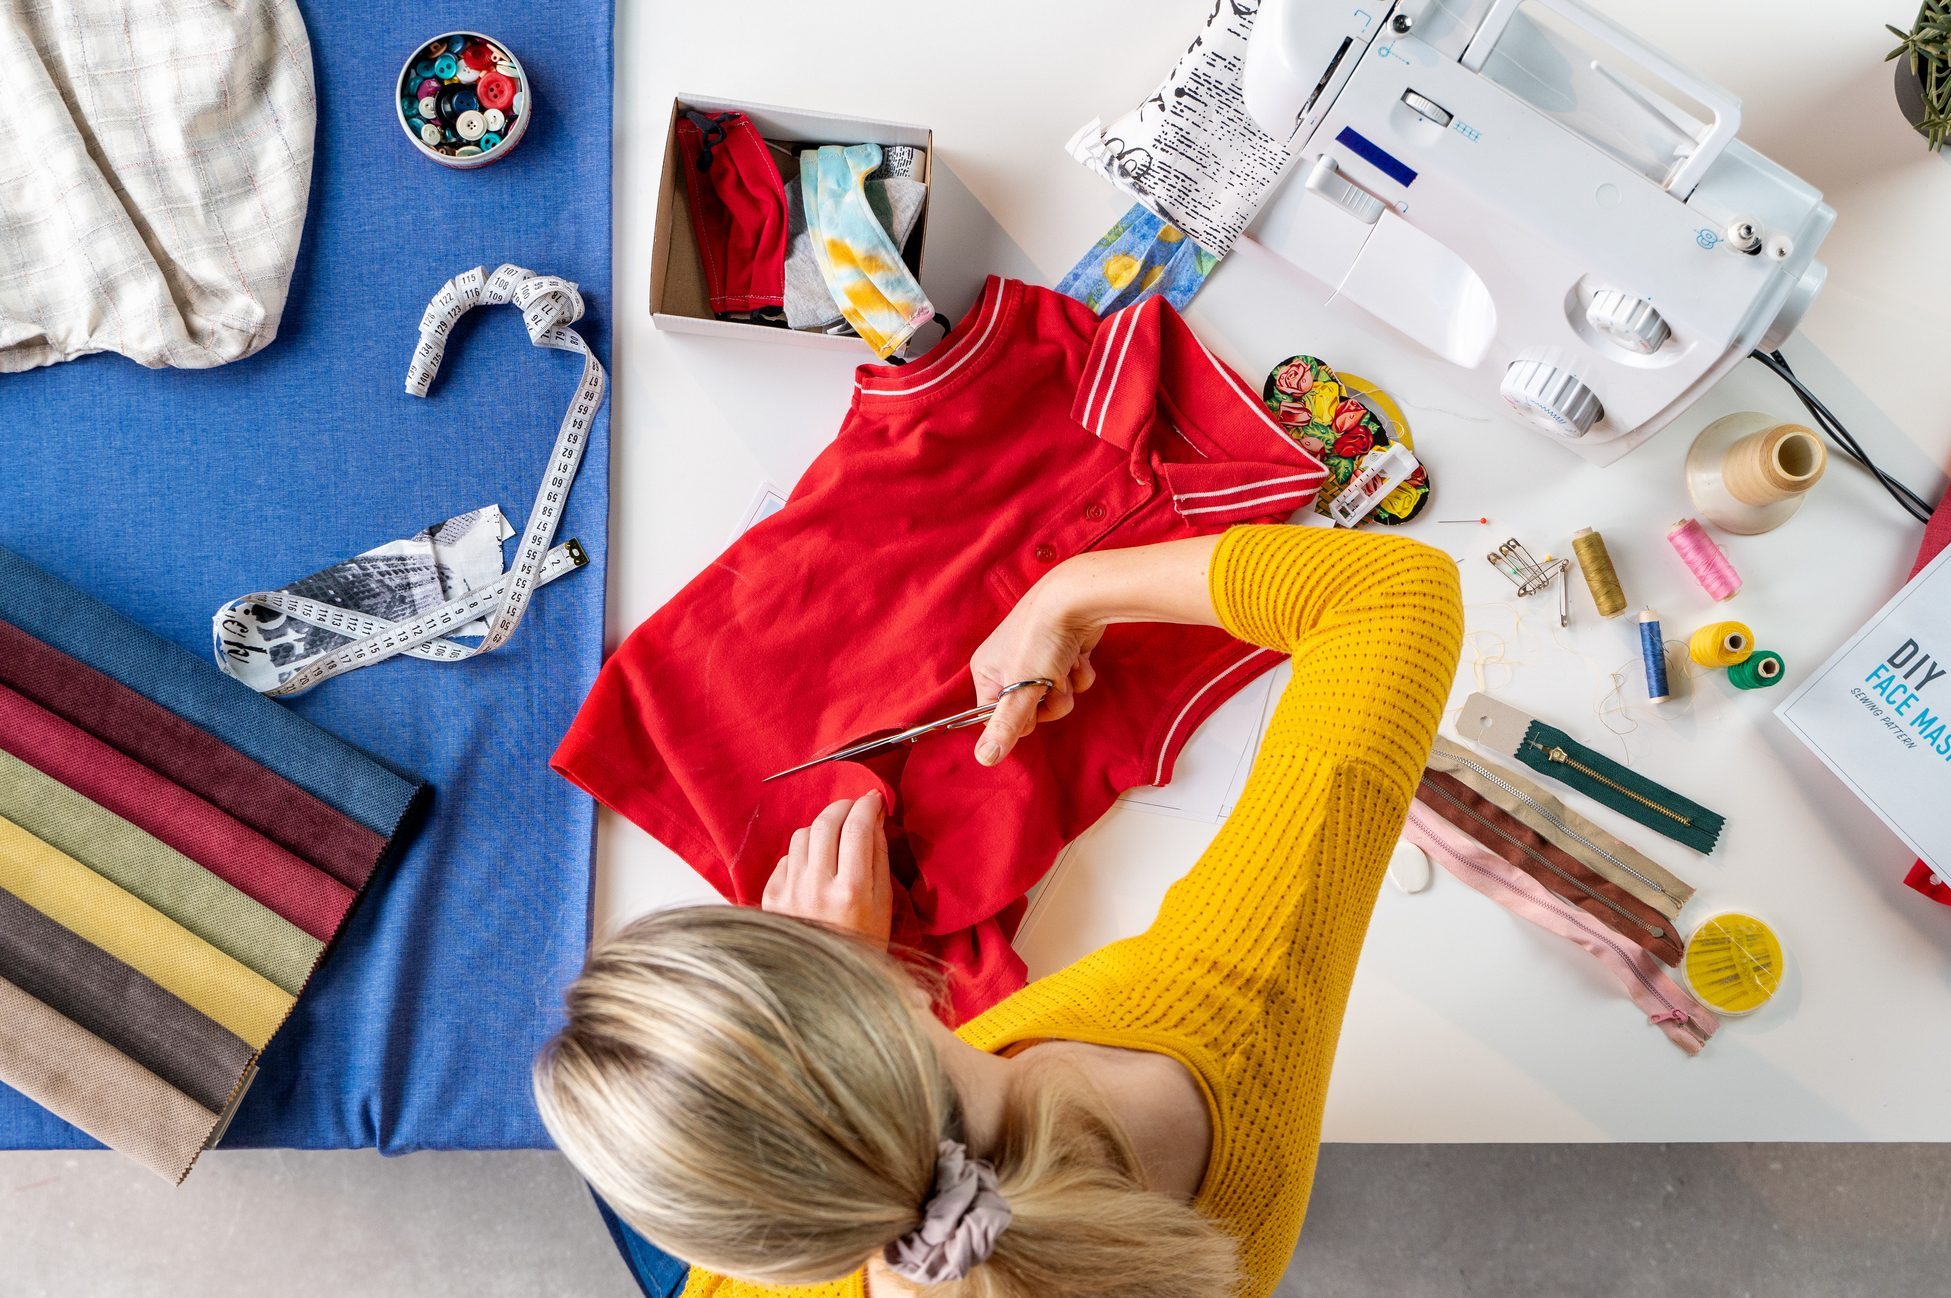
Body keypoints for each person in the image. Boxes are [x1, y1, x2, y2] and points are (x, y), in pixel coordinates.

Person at [535, 524, 1463, 1297]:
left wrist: (846, 991)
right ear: (867, 997)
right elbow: (1391, 595)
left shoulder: (841, 1254)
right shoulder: (1230, 1002)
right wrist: (1067, 593)